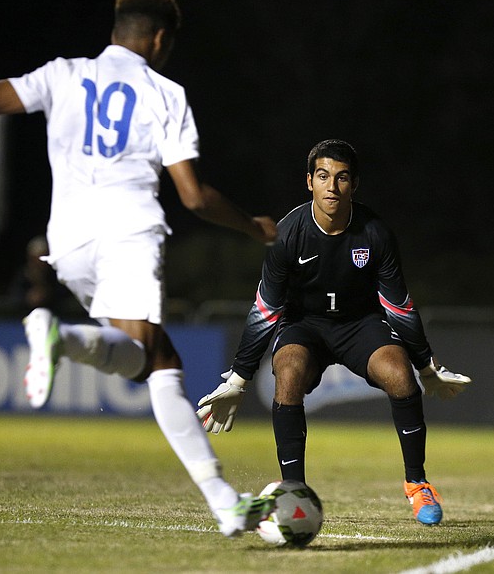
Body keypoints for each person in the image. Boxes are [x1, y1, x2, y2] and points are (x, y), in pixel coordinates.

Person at [0, 0, 277, 537]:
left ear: (115, 30)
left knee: (156, 361)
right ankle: (60, 336)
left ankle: (225, 501)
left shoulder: (63, 73)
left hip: (69, 239)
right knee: (156, 362)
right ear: (158, 39)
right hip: (128, 229)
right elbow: (194, 197)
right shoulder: (164, 92)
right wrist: (252, 227)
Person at [195, 139, 471, 525]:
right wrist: (239, 380)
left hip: (360, 325)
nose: (332, 187)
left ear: (354, 185)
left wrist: (425, 367)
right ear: (309, 181)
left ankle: (417, 483)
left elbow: (399, 306)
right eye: (323, 176)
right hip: (304, 326)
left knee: (399, 374)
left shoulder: (375, 233)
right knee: (288, 373)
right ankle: (295, 495)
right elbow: (266, 310)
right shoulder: (287, 235)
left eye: (341, 178)